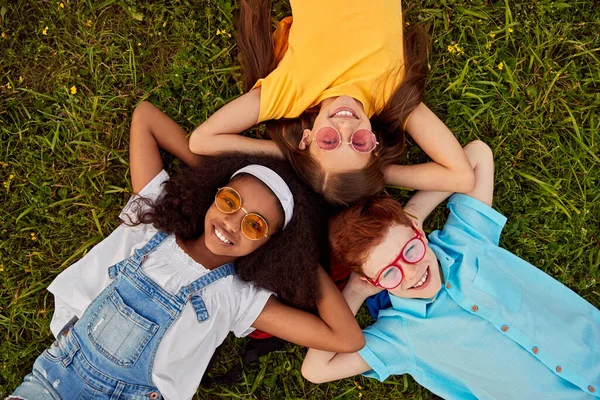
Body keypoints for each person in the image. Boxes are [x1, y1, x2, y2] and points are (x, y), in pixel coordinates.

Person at [8, 102, 364, 400]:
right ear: (214, 193)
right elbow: (145, 117)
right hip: (52, 382)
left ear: (270, 242)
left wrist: (298, 255)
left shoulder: (241, 298)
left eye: (255, 225)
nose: (230, 223)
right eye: (229, 201)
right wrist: (222, 174)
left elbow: (345, 338)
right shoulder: (153, 222)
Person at [301, 140, 600, 399]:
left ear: (418, 232)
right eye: (389, 273)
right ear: (373, 281)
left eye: (411, 250)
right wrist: (355, 291)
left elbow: (477, 155)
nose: (411, 272)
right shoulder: (401, 334)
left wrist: (413, 212)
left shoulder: (465, 241)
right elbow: (316, 370)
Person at [188, 0, 475, 204]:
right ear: (375, 144)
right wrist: (373, 175)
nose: (345, 127)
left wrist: (291, 155)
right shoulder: (390, 92)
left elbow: (202, 140)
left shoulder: (291, 93)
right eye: (359, 142)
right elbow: (461, 177)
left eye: (328, 141)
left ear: (306, 138)